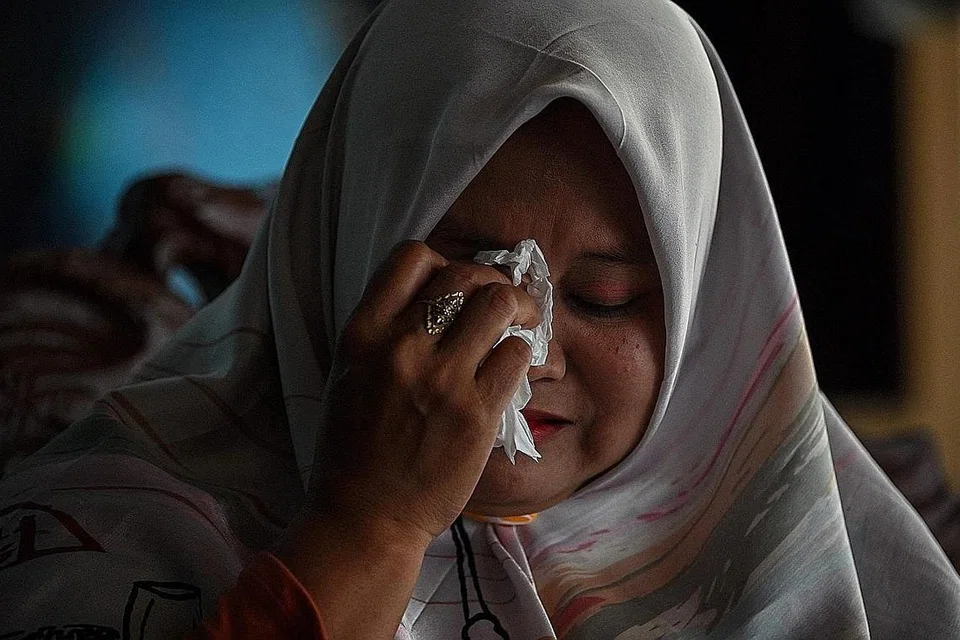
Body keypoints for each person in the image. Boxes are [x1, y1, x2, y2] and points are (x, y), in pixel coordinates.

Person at [1, 0, 958, 637]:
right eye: (462, 277)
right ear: (339, 254)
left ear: (704, 323)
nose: (523, 350)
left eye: (604, 299)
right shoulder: (102, 543)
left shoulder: (798, 551)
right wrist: (372, 528)